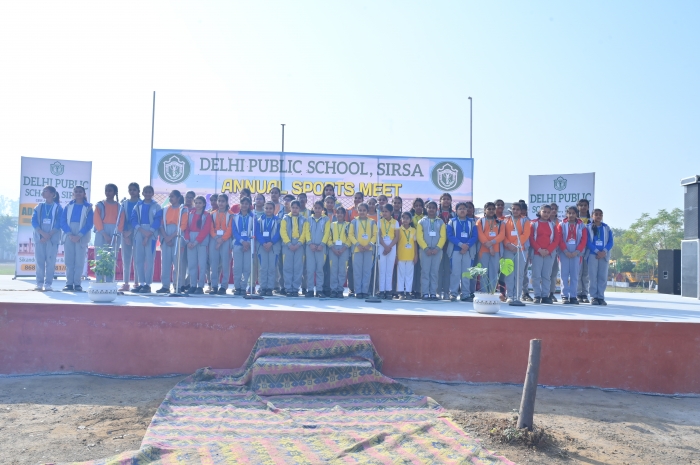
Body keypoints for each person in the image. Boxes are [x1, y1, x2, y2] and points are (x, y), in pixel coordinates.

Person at [60, 186, 93, 292]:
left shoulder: (88, 207)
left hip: (82, 235)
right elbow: (62, 221)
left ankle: (77, 284)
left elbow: (89, 223)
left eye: (80, 192)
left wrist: (79, 235)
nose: (78, 193)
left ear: (84, 194)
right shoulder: (68, 206)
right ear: (73, 194)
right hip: (69, 233)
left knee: (79, 260)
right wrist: (69, 234)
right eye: (76, 192)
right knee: (69, 260)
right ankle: (69, 283)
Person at [154, 190, 188, 294]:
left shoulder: (183, 209)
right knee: (165, 263)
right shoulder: (165, 209)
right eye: (170, 196)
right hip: (165, 235)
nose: (170, 198)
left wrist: (171, 237)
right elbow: (161, 224)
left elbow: (183, 226)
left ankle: (177, 286)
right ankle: (165, 286)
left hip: (178, 235)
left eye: (172, 196)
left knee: (177, 263)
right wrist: (166, 237)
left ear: (178, 198)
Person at [31, 186, 63, 291]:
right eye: (43, 191)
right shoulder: (39, 207)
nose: (43, 192)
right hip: (40, 237)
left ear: (52, 194)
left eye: (46, 191)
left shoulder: (58, 208)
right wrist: (42, 233)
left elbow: (59, 222)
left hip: (52, 238)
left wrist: (49, 234)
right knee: (39, 261)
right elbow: (34, 221)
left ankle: (48, 284)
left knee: (50, 261)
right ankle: (39, 283)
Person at [130, 185, 160, 293]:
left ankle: (148, 284)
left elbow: (158, 220)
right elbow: (133, 219)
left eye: (149, 192)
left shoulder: (156, 206)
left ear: (152, 193)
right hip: (139, 231)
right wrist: (142, 230)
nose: (147, 194)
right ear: (142, 193)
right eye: (145, 192)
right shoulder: (138, 205)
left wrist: (149, 233)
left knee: (149, 259)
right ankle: (141, 283)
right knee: (139, 259)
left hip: (151, 232)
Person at [92, 184, 125, 283]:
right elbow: (97, 220)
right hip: (101, 231)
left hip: (114, 232)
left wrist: (116, 234)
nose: (108, 193)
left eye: (110, 191)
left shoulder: (120, 207)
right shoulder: (100, 205)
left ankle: (110, 281)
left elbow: (121, 221)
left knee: (111, 257)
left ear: (115, 192)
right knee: (100, 256)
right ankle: (99, 280)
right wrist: (104, 234)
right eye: (106, 190)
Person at [446, 202, 478, 301]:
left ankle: (465, 294)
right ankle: (453, 293)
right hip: (455, 251)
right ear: (456, 211)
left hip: (468, 251)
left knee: (466, 273)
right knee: (455, 273)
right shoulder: (452, 221)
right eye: (460, 209)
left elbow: (475, 236)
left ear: (467, 210)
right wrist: (461, 245)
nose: (462, 210)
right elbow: (450, 235)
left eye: (464, 208)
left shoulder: (472, 222)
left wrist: (467, 246)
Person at [529, 204, 560, 304]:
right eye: (544, 212)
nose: (546, 214)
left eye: (548, 212)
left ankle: (545, 296)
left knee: (547, 276)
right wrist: (539, 249)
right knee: (536, 275)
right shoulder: (534, 224)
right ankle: (537, 295)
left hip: (549, 254)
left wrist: (548, 250)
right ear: (540, 212)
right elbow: (531, 238)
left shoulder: (553, 225)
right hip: (537, 253)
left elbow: (556, 240)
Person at [557, 206, 588, 304]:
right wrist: (565, 251)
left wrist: (577, 251)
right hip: (564, 252)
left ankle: (573, 296)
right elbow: (559, 238)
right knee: (564, 275)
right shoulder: (561, 224)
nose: (571, 215)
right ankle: (564, 296)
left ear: (576, 214)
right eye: (569, 213)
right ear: (566, 214)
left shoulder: (581, 225)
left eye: (573, 213)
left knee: (575, 276)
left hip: (576, 252)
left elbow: (584, 240)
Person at [416, 201, 446, 301]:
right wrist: (425, 248)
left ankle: (433, 293)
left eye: (433, 207)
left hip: (437, 251)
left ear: (436, 209)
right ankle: (425, 293)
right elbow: (419, 237)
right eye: (429, 207)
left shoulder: (440, 222)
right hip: (425, 251)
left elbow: (443, 237)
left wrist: (437, 248)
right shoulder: (421, 222)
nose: (431, 209)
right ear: (426, 209)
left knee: (434, 272)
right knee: (425, 272)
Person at [503, 201, 531, 302]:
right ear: (510, 209)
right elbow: (503, 234)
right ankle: (510, 295)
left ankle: (517, 296)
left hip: (520, 249)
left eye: (517, 209)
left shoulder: (525, 220)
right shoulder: (505, 220)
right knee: (509, 273)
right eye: (513, 209)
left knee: (519, 274)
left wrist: (515, 244)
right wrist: (508, 244)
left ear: (521, 211)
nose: (515, 211)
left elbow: (526, 234)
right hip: (508, 249)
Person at [184, 195, 211, 295]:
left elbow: (205, 230)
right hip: (190, 240)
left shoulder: (207, 215)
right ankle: (193, 285)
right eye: (196, 203)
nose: (198, 205)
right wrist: (187, 241)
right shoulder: (190, 213)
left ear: (204, 204)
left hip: (201, 241)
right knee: (192, 264)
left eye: (200, 203)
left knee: (202, 264)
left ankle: (200, 286)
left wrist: (196, 242)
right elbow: (186, 228)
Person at [349, 203, 376, 299]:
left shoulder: (372, 222)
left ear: (367, 211)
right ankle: (358, 291)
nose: (362, 212)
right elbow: (351, 235)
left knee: (367, 271)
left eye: (364, 210)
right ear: (357, 211)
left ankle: (365, 291)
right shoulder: (354, 222)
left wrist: (370, 244)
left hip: (369, 249)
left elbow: (375, 235)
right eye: (360, 210)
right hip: (357, 249)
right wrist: (357, 244)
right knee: (357, 271)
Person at [280, 200, 307, 297]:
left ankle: (295, 289)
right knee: (287, 267)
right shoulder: (285, 218)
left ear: (299, 209)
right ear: (290, 208)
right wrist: (289, 243)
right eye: (293, 207)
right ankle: (288, 288)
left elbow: (304, 232)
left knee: (298, 268)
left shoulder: (304, 219)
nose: (295, 210)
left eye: (297, 208)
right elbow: (283, 231)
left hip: (299, 246)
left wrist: (299, 243)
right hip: (288, 246)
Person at [476, 202, 505, 293]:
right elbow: (480, 235)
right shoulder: (480, 221)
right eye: (489, 209)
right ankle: (484, 292)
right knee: (484, 272)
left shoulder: (500, 222)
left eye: (493, 209)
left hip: (496, 251)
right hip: (483, 250)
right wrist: (490, 247)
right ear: (485, 210)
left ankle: (492, 291)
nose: (491, 211)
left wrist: (492, 243)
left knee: (493, 272)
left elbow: (501, 235)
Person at [304, 200, 330, 297]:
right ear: (313, 208)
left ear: (322, 209)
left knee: (320, 269)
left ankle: (319, 290)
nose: (317, 210)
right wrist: (310, 243)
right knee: (310, 269)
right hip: (310, 248)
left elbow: (327, 232)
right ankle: (310, 290)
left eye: (319, 208)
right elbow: (306, 232)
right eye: (316, 208)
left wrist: (322, 244)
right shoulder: (308, 219)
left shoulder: (326, 219)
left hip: (321, 248)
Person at [587, 209, 613, 305]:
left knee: (602, 276)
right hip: (592, 255)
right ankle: (594, 297)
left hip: (604, 255)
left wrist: (604, 251)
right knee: (592, 276)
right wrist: (597, 251)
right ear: (592, 216)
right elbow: (587, 242)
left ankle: (601, 297)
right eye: (596, 214)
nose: (598, 216)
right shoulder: (588, 227)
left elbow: (611, 242)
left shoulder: (606, 228)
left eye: (600, 215)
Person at [256, 201, 281, 296]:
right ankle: (263, 287)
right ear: (263, 209)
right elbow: (257, 232)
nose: (268, 210)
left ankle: (270, 288)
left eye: (270, 208)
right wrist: (263, 243)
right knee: (263, 268)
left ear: (274, 209)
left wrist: (271, 243)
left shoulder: (278, 220)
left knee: (272, 268)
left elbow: (278, 233)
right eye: (266, 208)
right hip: (262, 246)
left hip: (273, 247)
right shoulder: (259, 220)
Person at [208, 194, 233, 295]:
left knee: (225, 264)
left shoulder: (231, 214)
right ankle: (214, 286)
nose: (221, 203)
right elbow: (210, 228)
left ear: (226, 202)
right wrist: (216, 238)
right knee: (213, 264)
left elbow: (230, 229)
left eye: (223, 201)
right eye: (219, 201)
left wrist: (222, 240)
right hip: (214, 239)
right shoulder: (212, 214)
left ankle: (223, 286)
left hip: (226, 240)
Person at [119, 183, 141, 292]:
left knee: (138, 258)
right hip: (125, 233)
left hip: (138, 233)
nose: (132, 192)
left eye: (134, 190)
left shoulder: (141, 203)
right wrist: (124, 233)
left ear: (138, 191)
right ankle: (126, 283)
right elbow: (121, 219)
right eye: (130, 190)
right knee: (126, 258)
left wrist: (131, 231)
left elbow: (140, 220)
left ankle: (137, 283)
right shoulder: (124, 203)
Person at [232, 196, 254, 295]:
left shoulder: (252, 217)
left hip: (249, 246)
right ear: (239, 205)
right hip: (238, 244)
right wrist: (242, 241)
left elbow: (254, 231)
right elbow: (234, 232)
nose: (244, 205)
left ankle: (243, 287)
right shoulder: (235, 217)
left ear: (249, 205)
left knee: (247, 268)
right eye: (243, 203)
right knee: (237, 267)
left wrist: (248, 242)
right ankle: (237, 287)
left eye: (246, 204)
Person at [328, 206, 350, 298]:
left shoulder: (348, 225)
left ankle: (340, 289)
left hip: (344, 248)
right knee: (333, 270)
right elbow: (328, 238)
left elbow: (350, 238)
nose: (340, 214)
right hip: (333, 248)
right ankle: (333, 289)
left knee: (342, 270)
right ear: (335, 214)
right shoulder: (332, 225)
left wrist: (343, 248)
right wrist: (332, 248)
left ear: (344, 214)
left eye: (341, 213)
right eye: (338, 213)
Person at [377, 204, 399, 299]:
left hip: (392, 246)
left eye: (386, 211)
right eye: (383, 211)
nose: (384, 213)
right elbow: (379, 236)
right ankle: (381, 290)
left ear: (391, 212)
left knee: (389, 269)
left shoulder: (395, 222)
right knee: (382, 269)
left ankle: (388, 290)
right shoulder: (380, 222)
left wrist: (389, 247)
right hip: (382, 245)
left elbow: (397, 237)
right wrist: (385, 246)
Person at [345, 191, 364, 298]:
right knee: (351, 267)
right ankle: (351, 289)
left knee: (362, 268)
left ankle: (362, 289)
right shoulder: (349, 211)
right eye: (355, 198)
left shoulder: (364, 210)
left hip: (364, 244)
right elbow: (346, 226)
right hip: (351, 242)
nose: (357, 200)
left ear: (362, 199)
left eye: (359, 198)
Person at [396, 212, 417, 300]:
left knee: (409, 275)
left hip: (410, 256)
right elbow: (396, 243)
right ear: (401, 220)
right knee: (401, 274)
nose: (405, 220)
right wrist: (396, 255)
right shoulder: (398, 230)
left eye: (407, 218)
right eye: (403, 218)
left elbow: (415, 243)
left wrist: (416, 255)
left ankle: (408, 292)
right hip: (401, 255)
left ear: (411, 220)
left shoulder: (413, 230)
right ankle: (401, 292)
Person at [577, 198, 592, 303]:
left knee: (586, 274)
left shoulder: (592, 221)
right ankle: (578, 293)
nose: (583, 207)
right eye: (581, 205)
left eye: (585, 205)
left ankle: (585, 294)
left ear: (588, 207)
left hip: (588, 249)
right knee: (578, 273)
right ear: (578, 207)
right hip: (577, 249)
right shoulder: (574, 220)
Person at [519, 200, 534, 302]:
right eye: (521, 211)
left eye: (525, 211)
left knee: (524, 273)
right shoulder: (511, 220)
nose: (523, 213)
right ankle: (512, 293)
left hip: (525, 250)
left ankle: (525, 292)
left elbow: (530, 237)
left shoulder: (529, 221)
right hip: (513, 249)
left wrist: (529, 251)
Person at [410, 198, 426, 299]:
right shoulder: (410, 217)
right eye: (416, 206)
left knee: (421, 268)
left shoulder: (426, 218)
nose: (418, 207)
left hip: (423, 244)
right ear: (413, 207)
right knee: (413, 267)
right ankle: (412, 289)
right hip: (411, 244)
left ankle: (420, 289)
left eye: (420, 205)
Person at [548, 203, 561, 302]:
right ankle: (543, 293)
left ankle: (551, 293)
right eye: (551, 209)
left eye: (555, 209)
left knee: (553, 273)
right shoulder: (543, 221)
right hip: (545, 251)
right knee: (545, 274)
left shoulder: (560, 223)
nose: (553, 210)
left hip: (556, 251)